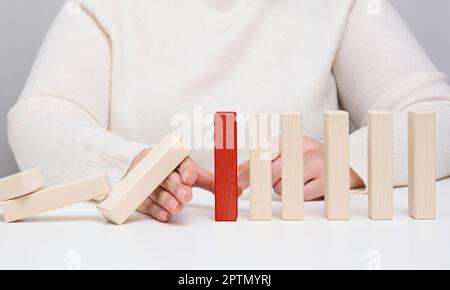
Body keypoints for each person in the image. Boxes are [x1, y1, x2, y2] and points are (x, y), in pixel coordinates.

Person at [8, 0, 450, 223]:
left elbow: (438, 116)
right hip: (144, 253)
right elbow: (37, 120)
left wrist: (346, 161)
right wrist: (130, 169)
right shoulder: (103, 6)